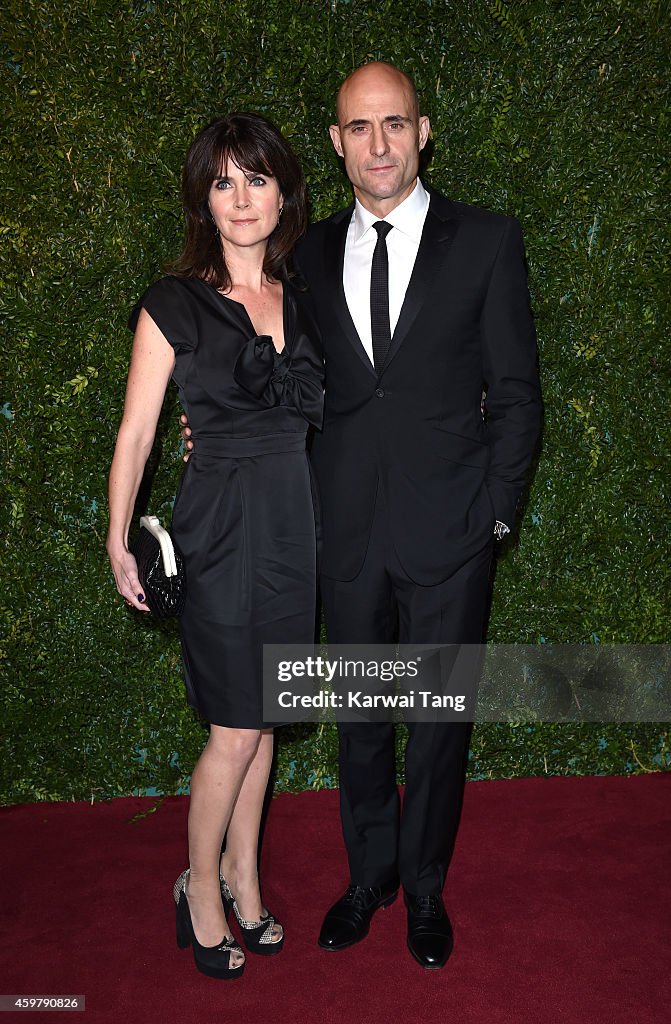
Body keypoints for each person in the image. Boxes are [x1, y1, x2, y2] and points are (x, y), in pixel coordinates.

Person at [183, 61, 542, 970]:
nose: (377, 143)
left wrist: (495, 515)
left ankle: (424, 887)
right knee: (361, 722)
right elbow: (268, 374)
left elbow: (518, 394)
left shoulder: (488, 241)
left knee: (435, 724)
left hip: (452, 532)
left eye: (394, 124)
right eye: (357, 127)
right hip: (337, 532)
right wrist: (208, 427)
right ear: (337, 143)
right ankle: (367, 877)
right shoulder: (300, 256)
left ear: (422, 131)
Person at [106, 112, 324, 980]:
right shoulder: (173, 303)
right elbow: (136, 434)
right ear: (204, 196)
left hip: (293, 532)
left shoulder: (303, 297)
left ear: (282, 194)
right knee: (234, 727)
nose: (241, 198)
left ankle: (244, 872)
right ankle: (197, 888)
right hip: (221, 531)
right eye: (223, 181)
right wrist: (117, 539)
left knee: (264, 718)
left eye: (257, 179)